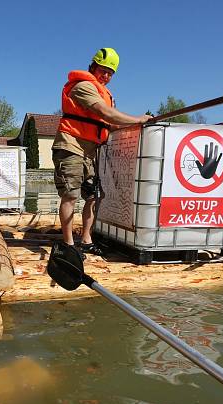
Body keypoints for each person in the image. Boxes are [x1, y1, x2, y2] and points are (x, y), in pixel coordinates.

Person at [53, 47, 152, 256]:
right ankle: (69, 245)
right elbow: (104, 112)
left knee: (92, 196)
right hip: (71, 146)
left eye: (110, 73)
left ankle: (86, 240)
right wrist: (137, 119)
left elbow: (108, 123)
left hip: (90, 152)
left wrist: (136, 126)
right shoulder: (84, 86)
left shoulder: (104, 92)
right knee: (70, 196)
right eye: (103, 70)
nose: (105, 76)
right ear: (93, 66)